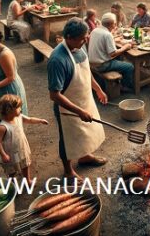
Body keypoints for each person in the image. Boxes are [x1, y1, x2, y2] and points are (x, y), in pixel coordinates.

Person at [48, 18, 108, 179]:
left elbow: (87, 73)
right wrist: (79, 111)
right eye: (82, 38)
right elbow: (54, 95)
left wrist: (99, 90)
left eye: (86, 36)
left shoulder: (79, 48)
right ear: (69, 37)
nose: (86, 40)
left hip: (85, 99)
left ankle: (84, 157)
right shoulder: (57, 60)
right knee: (68, 139)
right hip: (67, 108)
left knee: (86, 134)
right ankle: (68, 171)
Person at [0, 94, 48, 186]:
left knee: (25, 164)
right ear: (9, 110)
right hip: (10, 153)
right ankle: (12, 184)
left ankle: (27, 180)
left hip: (21, 148)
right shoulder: (3, 127)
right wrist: (3, 154)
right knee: (11, 170)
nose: (20, 109)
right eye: (18, 107)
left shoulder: (18, 117)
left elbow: (30, 119)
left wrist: (40, 120)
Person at [88, 13, 134, 91]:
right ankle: (126, 87)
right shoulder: (107, 34)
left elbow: (102, 42)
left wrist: (114, 40)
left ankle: (119, 80)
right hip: (101, 65)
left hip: (92, 62)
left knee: (120, 57)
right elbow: (113, 54)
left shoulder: (95, 30)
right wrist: (125, 47)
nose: (115, 25)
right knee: (130, 66)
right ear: (112, 24)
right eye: (115, 23)